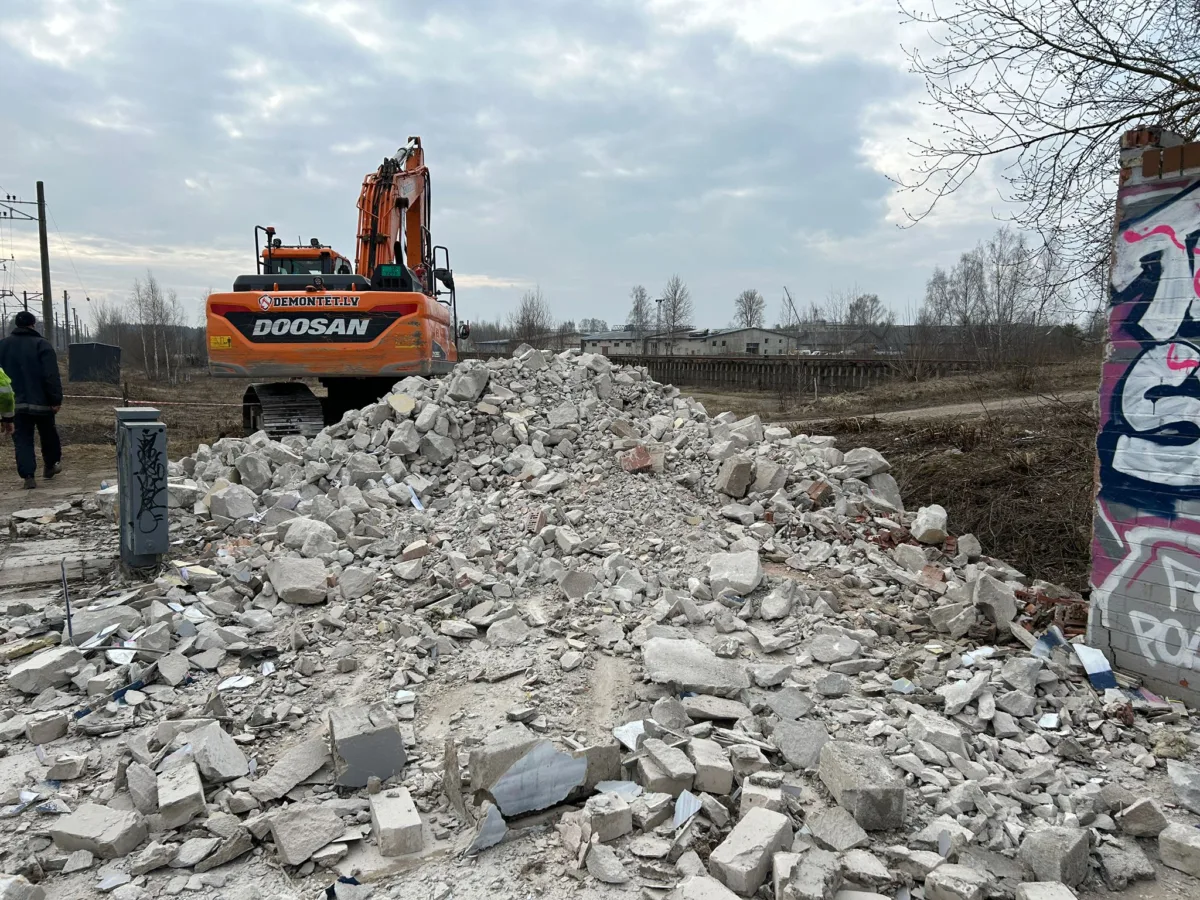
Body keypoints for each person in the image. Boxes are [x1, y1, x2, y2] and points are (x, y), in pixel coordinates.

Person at [0, 311, 63, 489]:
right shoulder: (42, 345)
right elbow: (51, 375)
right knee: (48, 435)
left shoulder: (2, 346)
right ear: (33, 324)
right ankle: (50, 465)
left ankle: (28, 476)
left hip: (15, 405)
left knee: (22, 440)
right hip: (42, 403)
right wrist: (55, 399)